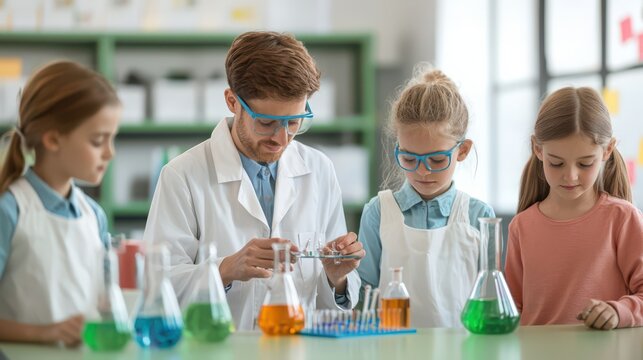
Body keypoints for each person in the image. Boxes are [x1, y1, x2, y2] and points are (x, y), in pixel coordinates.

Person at [143, 31, 364, 331]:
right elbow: (156, 285)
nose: (281, 138)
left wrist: (335, 277)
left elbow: (331, 304)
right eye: (267, 122)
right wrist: (225, 269)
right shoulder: (183, 175)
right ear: (232, 102)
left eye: (294, 122)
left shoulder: (319, 170)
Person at [357, 65, 495, 328]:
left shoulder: (479, 216)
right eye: (409, 158)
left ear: (462, 150)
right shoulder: (379, 212)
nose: (423, 170)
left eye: (437, 159)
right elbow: (364, 296)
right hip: (392, 349)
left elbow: (490, 300)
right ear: (398, 148)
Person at [0, 61, 121, 345]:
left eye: (112, 139)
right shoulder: (10, 210)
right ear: (53, 139)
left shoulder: (93, 215)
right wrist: (43, 333)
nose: (110, 153)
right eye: (98, 141)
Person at [506, 87, 643, 330]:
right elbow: (510, 310)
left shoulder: (622, 219)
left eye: (585, 163)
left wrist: (617, 311)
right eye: (556, 163)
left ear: (607, 151)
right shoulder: (521, 227)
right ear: (538, 149)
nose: (570, 176)